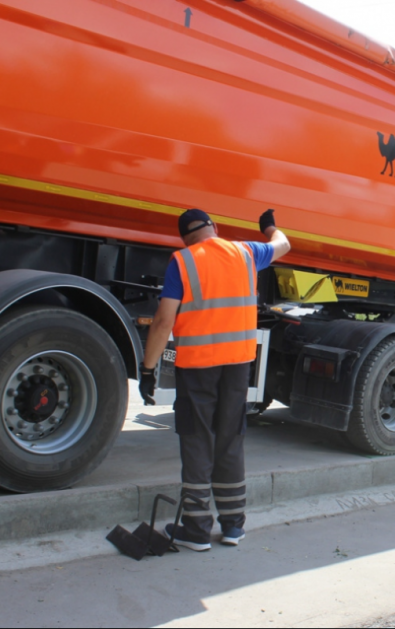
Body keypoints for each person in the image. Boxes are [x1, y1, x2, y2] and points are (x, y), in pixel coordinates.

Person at [138, 208, 290, 551]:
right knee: (230, 439)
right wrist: (268, 225)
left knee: (197, 439)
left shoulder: (183, 261)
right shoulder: (246, 252)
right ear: (215, 228)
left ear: (184, 238)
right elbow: (283, 244)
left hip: (197, 369)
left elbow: (164, 321)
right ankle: (233, 526)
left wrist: (148, 370)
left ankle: (196, 529)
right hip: (237, 367)